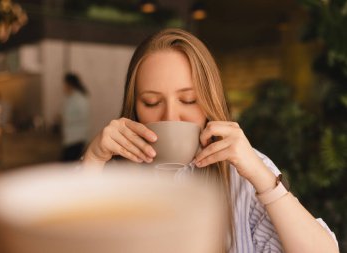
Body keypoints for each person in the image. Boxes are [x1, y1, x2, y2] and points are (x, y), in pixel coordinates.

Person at [83, 28, 339, 252]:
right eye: (152, 102)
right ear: (134, 107)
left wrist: (263, 178)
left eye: (189, 100)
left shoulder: (243, 173)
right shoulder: (111, 176)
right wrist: (93, 162)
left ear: (209, 101)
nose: (171, 116)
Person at [61, 73, 90, 162]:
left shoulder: (80, 99)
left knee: (68, 169)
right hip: (70, 139)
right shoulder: (70, 98)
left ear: (70, 84)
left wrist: (66, 119)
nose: (63, 87)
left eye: (64, 84)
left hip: (76, 139)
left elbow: (83, 117)